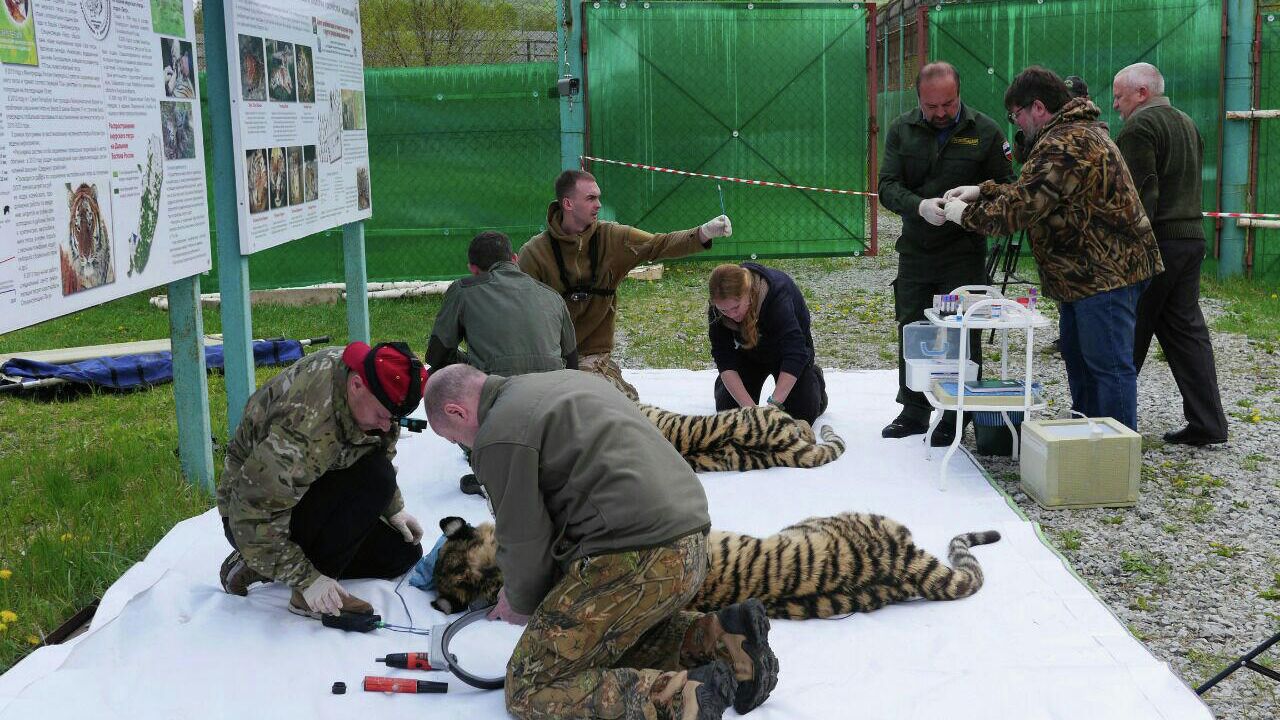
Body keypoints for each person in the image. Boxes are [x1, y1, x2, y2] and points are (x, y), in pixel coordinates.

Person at [424, 365, 779, 720]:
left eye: (453, 437)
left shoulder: (498, 435)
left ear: (457, 411)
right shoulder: (559, 381)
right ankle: (724, 641)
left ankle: (677, 698)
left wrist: (521, 601)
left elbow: (523, 537)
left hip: (633, 553)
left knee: (529, 686)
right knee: (598, 644)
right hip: (689, 542)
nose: (461, 445)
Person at [943, 66, 1163, 431]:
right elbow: (1036, 188)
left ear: (1038, 107)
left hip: (1105, 273)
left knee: (1108, 369)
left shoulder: (1067, 141)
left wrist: (963, 214)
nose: (1017, 123)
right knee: (1081, 362)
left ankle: (1117, 454)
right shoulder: (1068, 133)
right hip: (1083, 275)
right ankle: (1087, 438)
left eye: (1016, 115)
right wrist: (984, 190)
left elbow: (1020, 210)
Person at [217, 341, 426, 618]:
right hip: (251, 516)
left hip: (311, 486)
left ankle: (265, 565)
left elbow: (377, 448)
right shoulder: (305, 427)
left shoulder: (367, 383)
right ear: (356, 386)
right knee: (377, 479)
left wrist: (393, 507)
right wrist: (309, 580)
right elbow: (253, 514)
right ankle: (294, 583)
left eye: (394, 418)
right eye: (381, 415)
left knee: (401, 553)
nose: (387, 426)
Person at [877, 61, 1015, 444]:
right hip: (916, 250)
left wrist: (973, 194)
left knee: (961, 330)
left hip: (963, 253)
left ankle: (958, 413)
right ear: (919, 98)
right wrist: (918, 205)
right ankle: (915, 409)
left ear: (960, 95)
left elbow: (1007, 187)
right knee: (913, 327)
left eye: (948, 105)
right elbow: (887, 185)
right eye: (931, 106)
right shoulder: (902, 130)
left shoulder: (985, 131)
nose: (940, 113)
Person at [518, 169, 732, 401]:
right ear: (568, 203)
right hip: (549, 359)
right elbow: (521, 317)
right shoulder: (535, 254)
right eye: (590, 198)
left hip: (593, 356)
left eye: (599, 197)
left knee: (619, 406)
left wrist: (702, 233)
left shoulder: (613, 238)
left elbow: (658, 244)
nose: (599, 204)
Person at [1111, 63, 1228, 446]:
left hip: (1157, 242)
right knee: (1186, 334)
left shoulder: (1140, 127)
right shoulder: (1186, 122)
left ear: (1141, 92)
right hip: (1191, 238)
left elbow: (1137, 196)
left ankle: (1110, 425)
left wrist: (1123, 249)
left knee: (1129, 331)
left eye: (1119, 96)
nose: (1115, 105)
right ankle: (1208, 422)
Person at [427, 230, 578, 495]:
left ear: (474, 270)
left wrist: (471, 365)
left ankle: (485, 456)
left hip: (501, 415)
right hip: (555, 413)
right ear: (515, 259)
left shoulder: (464, 290)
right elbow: (573, 364)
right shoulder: (551, 295)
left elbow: (436, 357)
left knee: (446, 377)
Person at [707, 263, 827, 424]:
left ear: (748, 293)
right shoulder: (719, 306)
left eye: (735, 307)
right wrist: (750, 409)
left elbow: (795, 351)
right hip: (747, 354)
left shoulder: (777, 293)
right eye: (723, 310)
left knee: (799, 415)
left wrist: (773, 405)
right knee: (731, 415)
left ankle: (814, 379)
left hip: (785, 355)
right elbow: (723, 357)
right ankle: (728, 392)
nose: (731, 315)